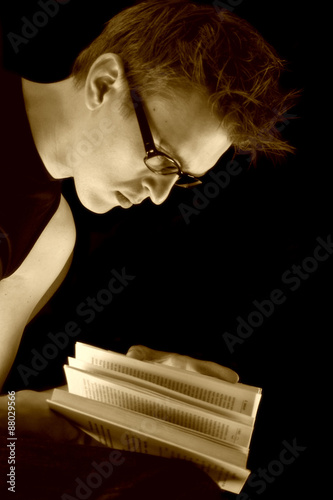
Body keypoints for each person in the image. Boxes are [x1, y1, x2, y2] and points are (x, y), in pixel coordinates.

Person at [0, 0, 296, 441]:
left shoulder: (48, 241)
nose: (158, 196)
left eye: (182, 178)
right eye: (162, 159)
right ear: (103, 84)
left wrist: (101, 400)